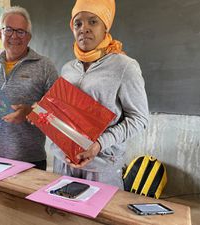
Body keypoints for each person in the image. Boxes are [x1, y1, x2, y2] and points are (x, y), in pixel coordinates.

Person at [51, 0, 149, 188]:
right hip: (62, 162)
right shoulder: (68, 68)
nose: (84, 28)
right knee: (59, 216)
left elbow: (139, 118)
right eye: (78, 23)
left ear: (106, 26)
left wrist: (99, 144)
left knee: (97, 217)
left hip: (102, 167)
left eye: (93, 22)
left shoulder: (125, 66)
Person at [0, 6, 58, 170]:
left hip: (30, 160)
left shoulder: (45, 66)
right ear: (0, 33)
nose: (14, 36)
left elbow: (58, 112)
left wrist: (30, 112)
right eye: (8, 30)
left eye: (21, 31)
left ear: (29, 37)